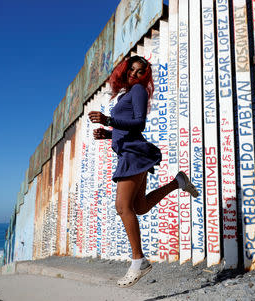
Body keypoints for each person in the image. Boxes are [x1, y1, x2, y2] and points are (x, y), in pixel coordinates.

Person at [88, 55, 198, 288]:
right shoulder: (126, 94)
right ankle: (177, 182)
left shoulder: (137, 91)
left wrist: (108, 120)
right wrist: (107, 133)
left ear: (144, 76)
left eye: (140, 72)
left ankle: (139, 261)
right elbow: (126, 128)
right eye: (132, 69)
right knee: (139, 207)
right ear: (124, 70)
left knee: (122, 207)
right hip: (130, 152)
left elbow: (139, 124)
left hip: (133, 156)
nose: (134, 74)